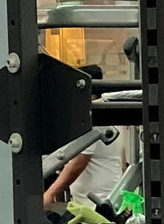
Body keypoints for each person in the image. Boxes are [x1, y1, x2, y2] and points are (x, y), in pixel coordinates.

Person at [44, 65, 125, 210]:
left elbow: (80, 162)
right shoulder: (108, 112)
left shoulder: (90, 117)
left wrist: (50, 194)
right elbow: (122, 160)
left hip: (96, 202)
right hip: (105, 197)